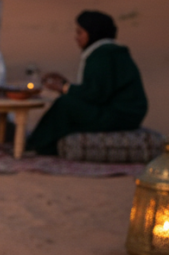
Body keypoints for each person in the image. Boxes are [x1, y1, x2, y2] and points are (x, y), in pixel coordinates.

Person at [26, 10, 148, 155]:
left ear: (93, 32)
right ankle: (43, 145)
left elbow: (96, 95)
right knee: (68, 104)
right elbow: (98, 89)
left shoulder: (102, 55)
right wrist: (65, 84)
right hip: (125, 114)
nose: (76, 37)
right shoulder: (110, 52)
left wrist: (64, 87)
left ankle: (35, 145)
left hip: (119, 115)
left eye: (80, 33)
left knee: (65, 105)